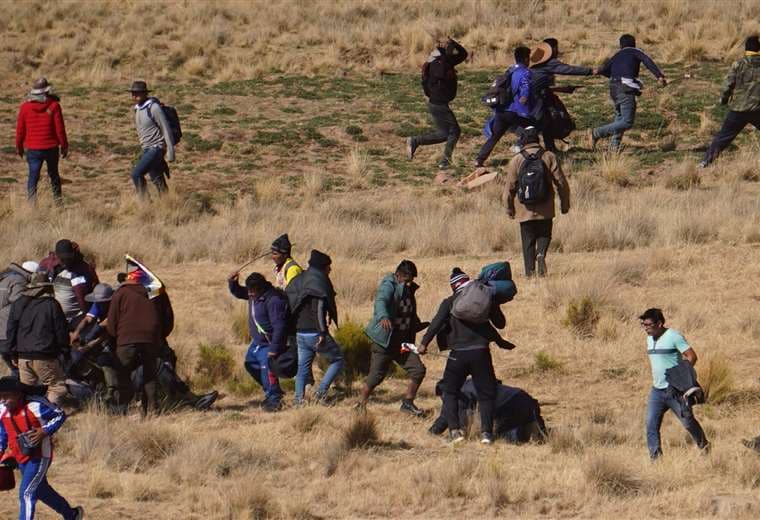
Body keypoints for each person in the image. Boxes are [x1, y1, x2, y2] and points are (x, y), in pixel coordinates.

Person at [417, 268, 516, 444]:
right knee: (486, 393)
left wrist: (424, 343)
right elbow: (500, 324)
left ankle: (455, 431)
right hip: (481, 353)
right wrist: (494, 306)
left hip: (458, 356)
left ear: (454, 287)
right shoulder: (484, 297)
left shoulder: (449, 302)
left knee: (449, 391)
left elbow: (435, 324)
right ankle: (486, 434)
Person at [0, 377, 83, 520]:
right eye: (0, 396)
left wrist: (44, 431)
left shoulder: (36, 405)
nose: (3, 400)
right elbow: (2, 433)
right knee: (41, 490)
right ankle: (72, 515)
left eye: (6, 396)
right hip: (20, 457)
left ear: (18, 394)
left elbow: (59, 415)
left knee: (26, 493)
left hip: (40, 456)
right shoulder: (2, 410)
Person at [359, 260, 427, 416]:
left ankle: (408, 403)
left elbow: (407, 311)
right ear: (399, 275)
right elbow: (381, 301)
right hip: (384, 341)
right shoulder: (388, 285)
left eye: (412, 280)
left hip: (402, 343)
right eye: (408, 279)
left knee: (418, 370)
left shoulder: (408, 289)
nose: (410, 283)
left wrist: (417, 324)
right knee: (376, 376)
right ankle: (360, 404)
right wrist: (383, 316)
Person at [639, 308, 709, 460]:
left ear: (659, 323)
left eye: (648, 325)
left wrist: (681, 378)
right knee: (651, 425)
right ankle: (656, 460)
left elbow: (692, 356)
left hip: (675, 390)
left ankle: (704, 447)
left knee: (688, 422)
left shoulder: (673, 336)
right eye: (643, 325)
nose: (645, 328)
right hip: (657, 390)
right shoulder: (649, 338)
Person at [504, 127, 570, 277]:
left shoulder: (516, 159)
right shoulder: (549, 156)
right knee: (545, 234)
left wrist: (509, 209)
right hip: (545, 206)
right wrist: (564, 204)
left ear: (523, 140)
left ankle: (529, 273)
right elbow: (561, 182)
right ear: (537, 139)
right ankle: (540, 254)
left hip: (524, 208)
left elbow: (509, 187)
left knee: (527, 240)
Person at [286, 250, 345, 405]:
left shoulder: (300, 279)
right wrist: (322, 332)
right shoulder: (317, 282)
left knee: (302, 367)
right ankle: (321, 392)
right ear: (323, 267)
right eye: (328, 267)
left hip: (299, 332)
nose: (330, 270)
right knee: (337, 359)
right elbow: (317, 308)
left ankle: (298, 400)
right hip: (314, 332)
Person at [589, 34, 667, 152]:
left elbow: (604, 70)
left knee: (619, 118)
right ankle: (596, 133)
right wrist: (659, 76)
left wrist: (614, 75)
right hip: (625, 88)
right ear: (634, 43)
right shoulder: (635, 51)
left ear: (621, 45)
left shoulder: (617, 55)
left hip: (613, 88)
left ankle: (614, 149)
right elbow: (647, 60)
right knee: (627, 122)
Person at [6, 273, 70, 406]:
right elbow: (61, 331)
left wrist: (12, 353)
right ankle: (49, 415)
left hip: (22, 355)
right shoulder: (51, 304)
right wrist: (65, 351)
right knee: (57, 387)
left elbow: (11, 329)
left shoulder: (18, 303)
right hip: (44, 354)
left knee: (26, 390)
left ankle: (27, 418)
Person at [228, 272, 287, 411]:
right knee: (250, 364)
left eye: (252, 291)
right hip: (257, 343)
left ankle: (274, 400)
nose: (250, 294)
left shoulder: (273, 300)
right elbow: (239, 292)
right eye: (249, 290)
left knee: (268, 371)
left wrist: (274, 348)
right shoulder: (253, 294)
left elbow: (280, 326)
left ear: (260, 288)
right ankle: (273, 389)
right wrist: (233, 283)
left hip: (269, 344)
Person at [407, 35, 468, 170]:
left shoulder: (436, 60)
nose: (452, 50)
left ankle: (415, 141)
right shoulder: (441, 62)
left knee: (444, 134)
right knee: (455, 132)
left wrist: (453, 43)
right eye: (450, 47)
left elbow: (463, 54)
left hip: (435, 102)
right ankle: (445, 161)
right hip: (438, 103)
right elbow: (461, 55)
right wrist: (452, 46)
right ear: (445, 48)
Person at [106, 270, 161, 416]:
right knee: (150, 375)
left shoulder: (120, 293)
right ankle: (153, 409)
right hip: (150, 338)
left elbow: (112, 322)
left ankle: (123, 408)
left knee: (122, 373)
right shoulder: (152, 293)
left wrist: (113, 339)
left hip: (127, 339)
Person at [699, 36, 760, 167]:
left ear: (746, 49)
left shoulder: (738, 64)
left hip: (738, 109)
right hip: (757, 109)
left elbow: (728, 84)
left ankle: (705, 162)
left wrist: (724, 100)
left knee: (723, 137)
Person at [429, 378, 547, 443]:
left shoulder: (460, 393)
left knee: (498, 437)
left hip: (508, 404)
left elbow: (451, 418)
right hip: (524, 398)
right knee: (537, 436)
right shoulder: (473, 382)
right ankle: (534, 435)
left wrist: (432, 433)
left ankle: (518, 435)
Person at [529, 39, 594, 152]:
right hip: (535, 99)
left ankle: (550, 148)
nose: (557, 51)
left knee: (547, 120)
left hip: (533, 96)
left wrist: (561, 89)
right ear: (552, 49)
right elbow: (568, 69)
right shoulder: (549, 62)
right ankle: (525, 147)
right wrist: (591, 71)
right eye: (556, 48)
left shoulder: (535, 62)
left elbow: (539, 86)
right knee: (542, 121)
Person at [475, 46, 534, 167]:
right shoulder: (525, 72)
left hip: (501, 110)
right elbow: (525, 86)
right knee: (531, 130)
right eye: (529, 58)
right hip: (513, 111)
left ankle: (479, 159)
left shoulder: (510, 69)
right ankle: (521, 156)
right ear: (526, 58)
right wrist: (525, 97)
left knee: (495, 136)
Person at [15, 78, 69, 202]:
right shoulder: (54, 106)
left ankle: (32, 205)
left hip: (33, 149)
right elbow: (60, 129)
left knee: (33, 177)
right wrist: (64, 146)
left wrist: (19, 147)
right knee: (54, 176)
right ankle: (58, 203)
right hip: (51, 148)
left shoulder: (25, 107)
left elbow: (20, 131)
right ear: (46, 91)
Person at [38, 239, 99, 329]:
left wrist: (88, 315)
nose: (65, 261)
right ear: (57, 256)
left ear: (73, 255)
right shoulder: (48, 265)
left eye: (68, 258)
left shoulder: (82, 269)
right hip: (53, 316)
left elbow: (86, 294)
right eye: (63, 259)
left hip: (76, 317)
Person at [128, 80, 175, 197]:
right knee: (158, 181)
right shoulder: (137, 108)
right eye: (133, 93)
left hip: (156, 148)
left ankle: (145, 204)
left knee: (136, 174)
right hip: (147, 149)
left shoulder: (154, 108)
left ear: (145, 93)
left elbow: (166, 129)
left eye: (138, 93)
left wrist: (170, 151)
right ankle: (168, 204)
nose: (135, 95)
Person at [0, 261, 38, 375]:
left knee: (8, 356)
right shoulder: (19, 280)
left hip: (2, 326)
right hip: (7, 326)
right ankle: (18, 384)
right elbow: (19, 304)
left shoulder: (7, 277)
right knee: (16, 362)